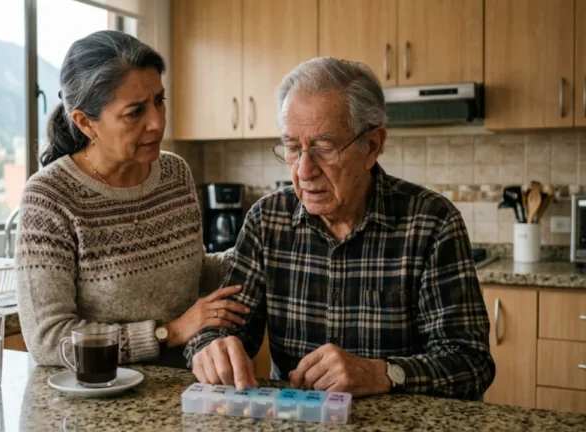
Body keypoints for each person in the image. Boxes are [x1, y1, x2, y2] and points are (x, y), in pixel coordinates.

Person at [184, 57, 495, 400]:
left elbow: (471, 364)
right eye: (292, 148)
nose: (304, 171)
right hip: (295, 417)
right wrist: (211, 347)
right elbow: (220, 325)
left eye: (324, 148)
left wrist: (384, 373)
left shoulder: (432, 223)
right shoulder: (266, 220)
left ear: (371, 146)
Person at [15, 30, 246, 368]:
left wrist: (259, 250)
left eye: (159, 101)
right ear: (85, 123)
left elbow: (190, 273)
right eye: (135, 112)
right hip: (100, 392)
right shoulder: (50, 197)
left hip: (181, 385)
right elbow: (49, 340)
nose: (157, 122)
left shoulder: (174, 173)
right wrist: (167, 333)